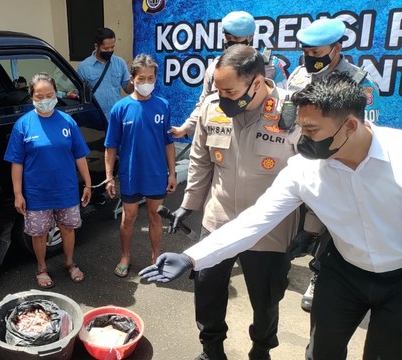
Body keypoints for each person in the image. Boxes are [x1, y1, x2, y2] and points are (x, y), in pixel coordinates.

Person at [140, 73, 402, 360]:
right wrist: (192, 257)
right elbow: (256, 219)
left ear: (350, 125)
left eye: (311, 131)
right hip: (343, 272)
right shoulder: (304, 170)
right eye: (301, 128)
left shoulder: (397, 155)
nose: (303, 140)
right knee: (321, 353)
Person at [169, 45, 300, 360]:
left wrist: (309, 228)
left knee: (266, 298)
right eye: (218, 89)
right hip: (219, 219)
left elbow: (311, 173)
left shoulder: (291, 112)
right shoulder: (213, 107)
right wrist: (190, 203)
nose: (222, 97)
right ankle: (211, 349)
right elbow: (201, 161)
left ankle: (261, 349)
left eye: (230, 90)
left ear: (256, 82)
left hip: (271, 228)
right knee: (208, 290)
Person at [286, 17, 383, 312]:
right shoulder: (299, 74)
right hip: (300, 157)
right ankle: (284, 263)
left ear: (337, 48)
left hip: (336, 163)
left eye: (317, 52)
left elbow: (367, 128)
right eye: (306, 51)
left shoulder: (357, 82)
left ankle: (319, 275)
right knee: (297, 223)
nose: (310, 58)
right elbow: (288, 111)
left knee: (333, 225)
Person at [4, 72, 92, 289]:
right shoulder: (23, 125)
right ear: (32, 96)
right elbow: (17, 163)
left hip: (66, 190)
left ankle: (70, 264)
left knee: (68, 228)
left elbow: (79, 155)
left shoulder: (67, 122)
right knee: (39, 233)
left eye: (49, 95)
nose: (45, 100)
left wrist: (88, 183)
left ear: (56, 94)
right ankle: (41, 268)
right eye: (39, 96)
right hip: (36, 192)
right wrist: (18, 193)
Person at [104, 54, 177, 278]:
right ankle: (125, 256)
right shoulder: (120, 108)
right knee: (129, 217)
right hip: (130, 174)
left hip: (156, 173)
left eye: (151, 78)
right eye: (142, 78)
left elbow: (168, 142)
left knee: (156, 216)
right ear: (133, 79)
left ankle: (156, 257)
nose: (147, 83)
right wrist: (109, 176)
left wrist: (172, 173)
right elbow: (111, 146)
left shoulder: (162, 105)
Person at [169, 10, 289, 140]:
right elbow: (204, 104)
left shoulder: (271, 66)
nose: (231, 42)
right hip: (224, 134)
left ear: (250, 36)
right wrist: (185, 128)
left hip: (260, 135)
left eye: (237, 38)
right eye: (228, 38)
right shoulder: (217, 67)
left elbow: (285, 103)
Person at [77, 27, 134, 121]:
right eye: (106, 48)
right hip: (95, 120)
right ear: (96, 46)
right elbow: (79, 95)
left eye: (112, 47)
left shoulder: (120, 63)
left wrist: (134, 80)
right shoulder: (84, 67)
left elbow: (128, 90)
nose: (110, 50)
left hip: (116, 117)